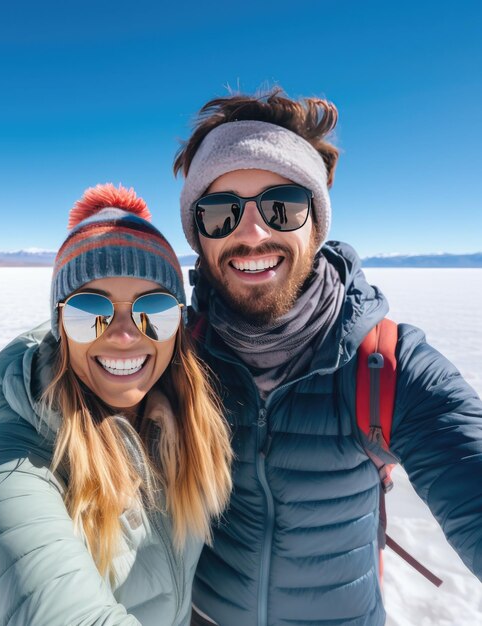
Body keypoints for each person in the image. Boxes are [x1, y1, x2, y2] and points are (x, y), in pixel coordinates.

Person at [173, 88, 482, 626]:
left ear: (315, 224)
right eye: (220, 212)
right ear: (199, 236)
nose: (251, 233)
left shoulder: (385, 365)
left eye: (282, 207)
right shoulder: (178, 355)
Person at [0, 184, 233, 626]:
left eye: (156, 310)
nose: (125, 335)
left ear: (178, 325)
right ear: (60, 326)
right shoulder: (9, 460)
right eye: (91, 311)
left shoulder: (185, 422)